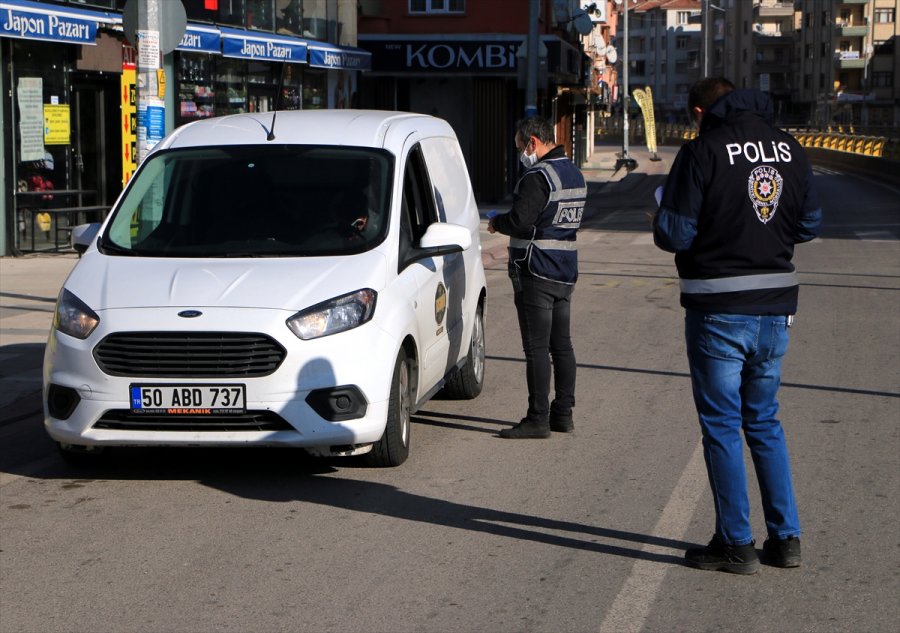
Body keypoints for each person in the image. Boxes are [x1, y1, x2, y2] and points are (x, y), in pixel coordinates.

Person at [653, 78, 822, 574]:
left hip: (719, 308)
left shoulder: (703, 150)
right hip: (776, 310)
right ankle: (786, 539)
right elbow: (809, 225)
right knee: (765, 422)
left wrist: (666, 211)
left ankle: (736, 543)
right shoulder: (790, 149)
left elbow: (675, 233)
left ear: (702, 111)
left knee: (723, 426)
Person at [488, 116, 586, 439]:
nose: (521, 154)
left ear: (533, 142)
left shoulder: (537, 176)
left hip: (536, 270)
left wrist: (496, 223)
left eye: (520, 147)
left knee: (536, 348)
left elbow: (519, 221)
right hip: (564, 271)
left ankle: (538, 418)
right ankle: (563, 414)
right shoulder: (574, 173)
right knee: (562, 346)